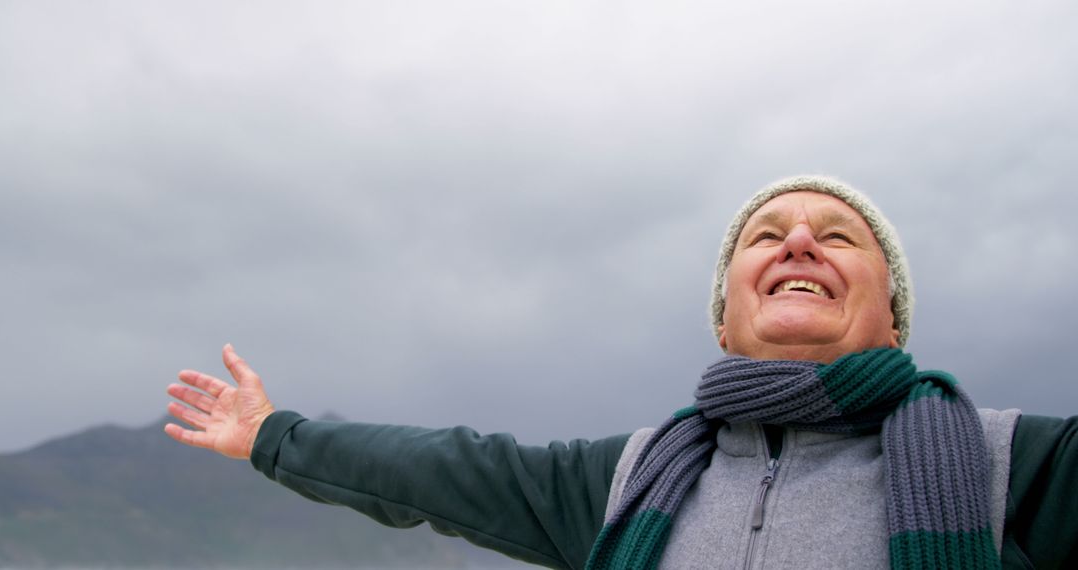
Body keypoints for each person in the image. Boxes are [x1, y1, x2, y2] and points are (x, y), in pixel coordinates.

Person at [165, 176, 1077, 569]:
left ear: (894, 316)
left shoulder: (1023, 469)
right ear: (726, 321)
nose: (800, 239)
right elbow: (448, 468)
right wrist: (275, 437)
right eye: (767, 236)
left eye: (839, 236)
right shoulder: (629, 480)